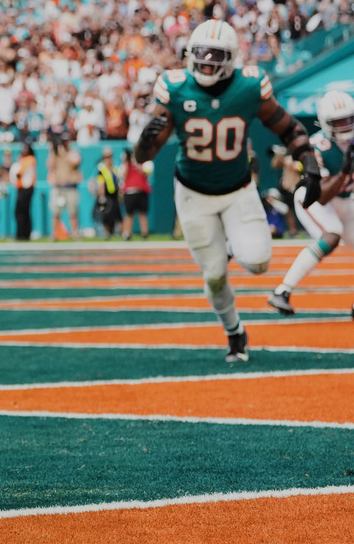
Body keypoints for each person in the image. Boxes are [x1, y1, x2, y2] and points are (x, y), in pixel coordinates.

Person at [135, 19, 322, 362]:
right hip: (192, 193)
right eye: (201, 54)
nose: (206, 62)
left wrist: (307, 160)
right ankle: (235, 332)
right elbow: (146, 153)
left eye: (215, 56)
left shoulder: (248, 87)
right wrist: (143, 142)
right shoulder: (175, 88)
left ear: (232, 58)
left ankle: (231, 245)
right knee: (215, 276)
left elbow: (286, 126)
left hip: (238, 189)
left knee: (258, 261)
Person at [268, 90, 354, 315]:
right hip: (313, 197)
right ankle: (282, 291)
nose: (345, 127)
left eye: (349, 120)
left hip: (344, 200)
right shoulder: (318, 145)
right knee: (332, 233)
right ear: (326, 123)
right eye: (339, 122)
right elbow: (322, 194)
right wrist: (345, 170)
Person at [47, 135, 82, 240]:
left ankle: (75, 234)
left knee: (73, 212)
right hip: (58, 186)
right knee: (56, 212)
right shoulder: (56, 154)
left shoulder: (73, 152)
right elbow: (50, 165)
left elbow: (74, 162)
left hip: (70, 186)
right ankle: (54, 234)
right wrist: (52, 151)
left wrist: (63, 153)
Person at [119, 148, 152, 240]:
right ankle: (127, 234)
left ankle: (144, 233)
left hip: (141, 190)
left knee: (143, 213)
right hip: (130, 191)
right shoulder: (126, 164)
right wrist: (127, 162)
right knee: (129, 214)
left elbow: (147, 173)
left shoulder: (144, 163)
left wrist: (137, 164)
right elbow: (123, 175)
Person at [91, 146, 121, 240]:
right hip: (105, 195)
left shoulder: (115, 166)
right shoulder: (101, 168)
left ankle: (121, 233)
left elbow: (119, 180)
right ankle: (106, 233)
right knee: (106, 216)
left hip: (114, 195)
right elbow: (96, 181)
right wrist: (100, 195)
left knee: (117, 215)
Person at [10, 142, 36, 241]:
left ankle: (22, 234)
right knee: (23, 212)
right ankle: (23, 233)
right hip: (22, 188)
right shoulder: (25, 160)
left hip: (25, 189)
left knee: (20, 212)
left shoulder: (29, 160)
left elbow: (20, 174)